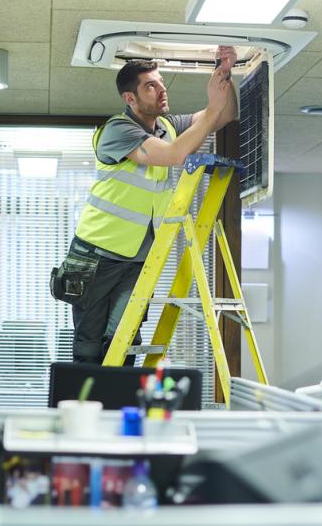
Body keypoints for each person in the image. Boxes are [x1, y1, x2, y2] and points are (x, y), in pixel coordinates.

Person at [67, 46, 238, 365]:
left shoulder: (169, 127)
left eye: (161, 83)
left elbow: (225, 114)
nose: (162, 90)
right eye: (150, 85)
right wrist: (212, 109)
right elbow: (175, 154)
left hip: (139, 255)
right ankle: (85, 409)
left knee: (126, 337)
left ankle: (121, 410)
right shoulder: (116, 131)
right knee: (91, 341)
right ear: (129, 98)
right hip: (97, 253)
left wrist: (224, 73)